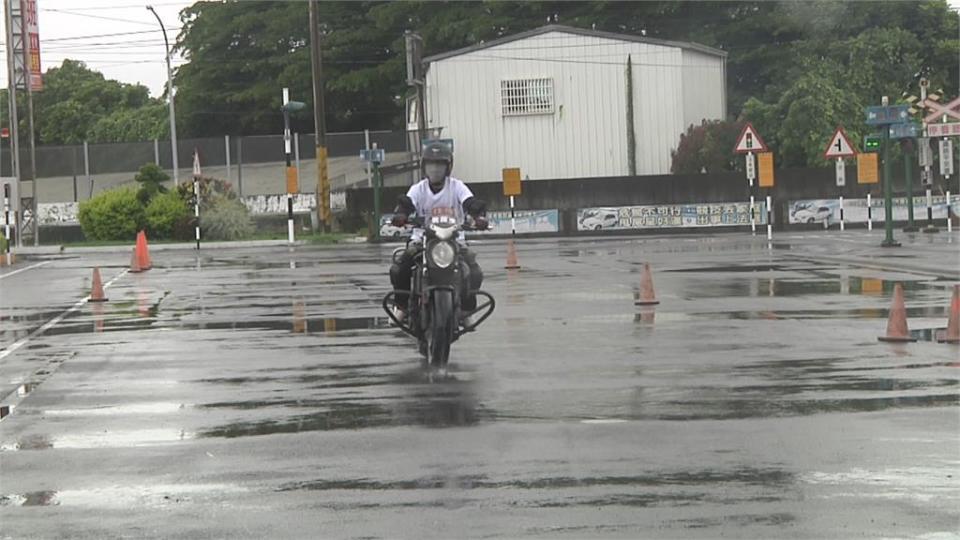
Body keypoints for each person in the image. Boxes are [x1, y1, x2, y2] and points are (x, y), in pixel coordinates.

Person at [389, 141, 488, 320]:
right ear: (424, 167)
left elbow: (469, 202)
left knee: (473, 271)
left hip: (454, 240)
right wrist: (401, 214)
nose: (435, 170)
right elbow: (407, 204)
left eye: (439, 165)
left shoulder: (457, 186)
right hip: (422, 240)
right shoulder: (417, 189)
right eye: (431, 165)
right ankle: (401, 306)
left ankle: (466, 308)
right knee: (400, 268)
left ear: (448, 167)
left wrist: (478, 216)